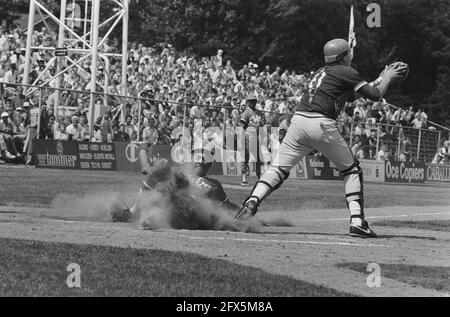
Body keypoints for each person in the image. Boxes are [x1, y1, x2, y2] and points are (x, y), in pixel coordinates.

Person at [235, 38, 407, 238]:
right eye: (348, 53)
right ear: (342, 56)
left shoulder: (321, 72)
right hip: (320, 123)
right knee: (351, 170)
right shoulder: (346, 71)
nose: (351, 56)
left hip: (298, 122)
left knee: (278, 169)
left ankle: (250, 204)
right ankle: (358, 222)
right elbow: (375, 95)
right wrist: (387, 76)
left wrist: (379, 78)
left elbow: (350, 96)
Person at [111, 148, 240, 230]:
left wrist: (246, 213)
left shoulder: (214, 184)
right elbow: (149, 171)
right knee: (167, 174)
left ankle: (149, 218)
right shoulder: (177, 173)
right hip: (170, 206)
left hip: (193, 215)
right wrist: (143, 151)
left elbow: (228, 208)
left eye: (205, 159)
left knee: (176, 181)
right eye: (197, 157)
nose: (200, 161)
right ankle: (137, 214)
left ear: (210, 164)